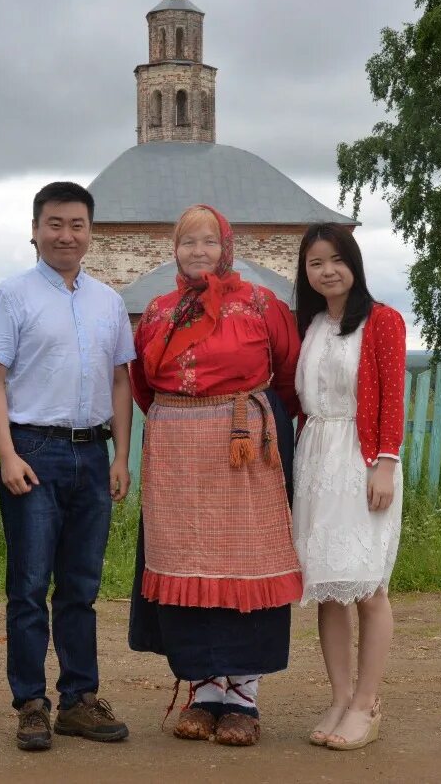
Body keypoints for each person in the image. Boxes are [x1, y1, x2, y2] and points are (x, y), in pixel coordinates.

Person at [129, 204, 302, 748]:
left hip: (244, 452)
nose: (198, 252)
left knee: (245, 566)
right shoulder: (158, 310)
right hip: (179, 455)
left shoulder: (260, 303)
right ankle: (204, 691)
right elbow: (141, 383)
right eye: (187, 243)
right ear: (174, 250)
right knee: (188, 566)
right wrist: (183, 420)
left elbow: (290, 374)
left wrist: (261, 424)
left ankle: (243, 697)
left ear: (226, 247)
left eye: (209, 242)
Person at [0, 181, 135, 751]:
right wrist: (7, 453)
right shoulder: (12, 296)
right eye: (54, 224)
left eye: (76, 225)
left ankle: (79, 701)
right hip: (34, 452)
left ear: (90, 233)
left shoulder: (108, 302)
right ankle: (31, 704)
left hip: (93, 455)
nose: (65, 234)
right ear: (36, 230)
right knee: (27, 585)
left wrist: (120, 455)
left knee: (80, 587)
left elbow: (121, 378)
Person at [291, 222, 405, 751]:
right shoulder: (310, 324)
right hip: (316, 459)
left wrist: (385, 462)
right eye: (315, 263)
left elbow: (391, 395)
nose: (327, 270)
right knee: (328, 589)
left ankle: (366, 703)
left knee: (367, 586)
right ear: (305, 271)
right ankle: (339, 697)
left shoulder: (382, 321)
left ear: (353, 262)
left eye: (335, 259)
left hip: (362, 460)